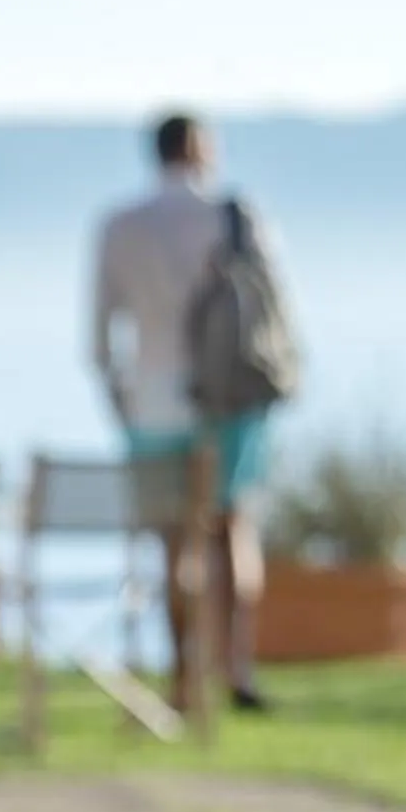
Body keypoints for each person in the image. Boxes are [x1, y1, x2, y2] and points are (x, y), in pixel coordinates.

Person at [90, 110, 287, 712]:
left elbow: (100, 340)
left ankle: (182, 680)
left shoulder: (120, 225)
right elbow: (273, 305)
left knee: (174, 545)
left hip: (151, 403)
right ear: (201, 149)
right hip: (225, 394)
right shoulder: (233, 213)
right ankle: (237, 671)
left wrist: (122, 408)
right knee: (233, 529)